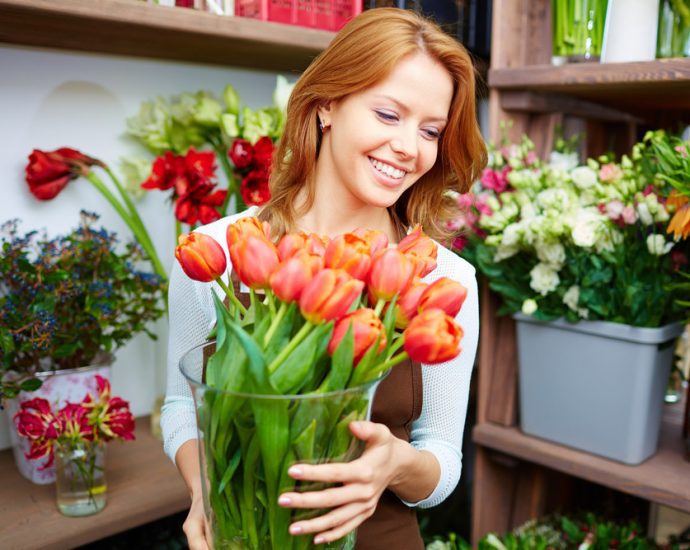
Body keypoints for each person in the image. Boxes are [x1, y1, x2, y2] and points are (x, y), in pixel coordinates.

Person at [161, 7, 486, 550]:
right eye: (388, 115)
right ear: (327, 104)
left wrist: (396, 464)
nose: (410, 148)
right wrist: (206, 497)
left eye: (430, 130)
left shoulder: (443, 278)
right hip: (242, 536)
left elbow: (442, 461)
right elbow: (180, 408)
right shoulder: (220, 250)